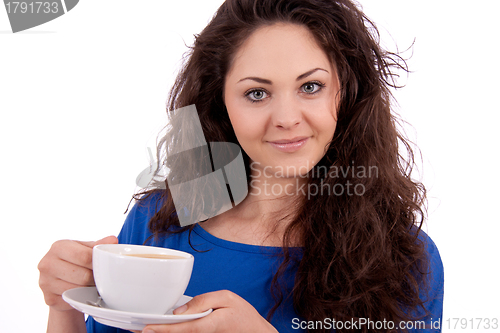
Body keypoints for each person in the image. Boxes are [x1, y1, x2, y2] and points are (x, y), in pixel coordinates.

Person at [38, 0, 444, 332]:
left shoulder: (406, 257)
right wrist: (64, 309)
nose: (286, 117)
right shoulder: (157, 222)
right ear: (221, 103)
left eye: (310, 86)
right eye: (256, 93)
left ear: (346, 93)